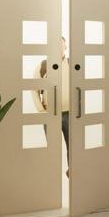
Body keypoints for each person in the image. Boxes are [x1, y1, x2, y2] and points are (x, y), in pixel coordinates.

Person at [40, 37, 70, 176]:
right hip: (50, 115)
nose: (59, 48)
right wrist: (41, 109)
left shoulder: (72, 63)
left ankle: (72, 171)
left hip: (70, 114)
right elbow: (34, 89)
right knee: (52, 148)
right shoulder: (44, 65)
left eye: (61, 45)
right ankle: (53, 175)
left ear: (66, 47)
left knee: (72, 145)